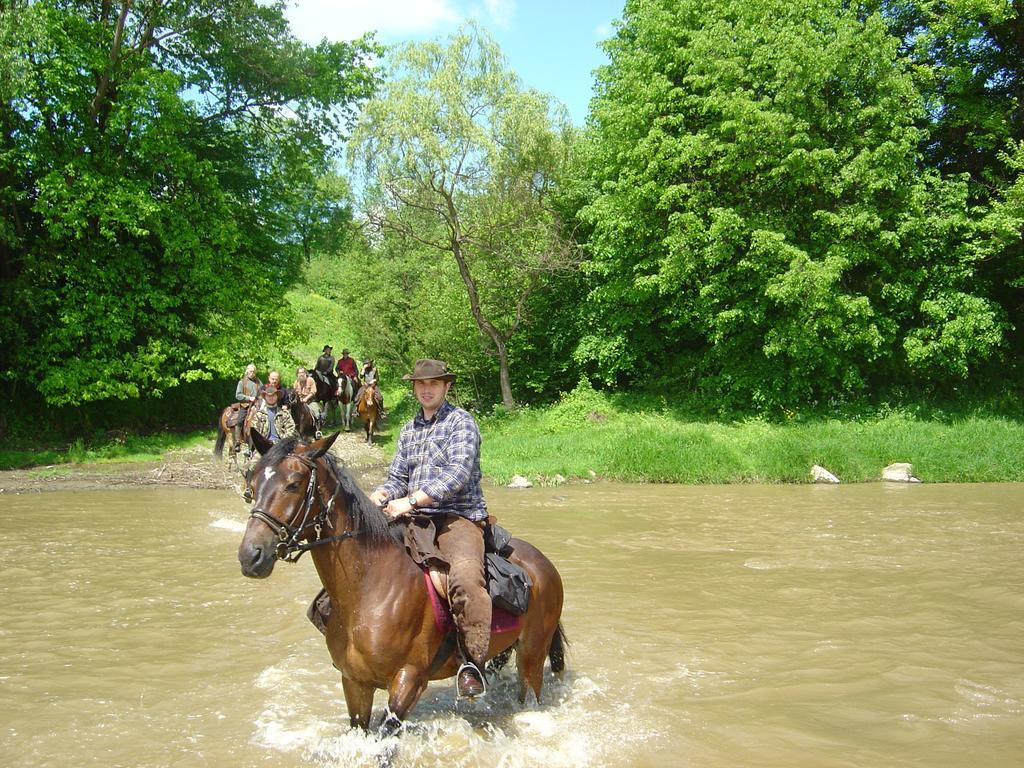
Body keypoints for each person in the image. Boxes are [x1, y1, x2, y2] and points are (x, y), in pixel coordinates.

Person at [369, 359, 488, 698]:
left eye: (434, 383)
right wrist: (383, 493)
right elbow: (397, 478)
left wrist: (413, 500)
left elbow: (458, 474)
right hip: (413, 518)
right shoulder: (408, 430)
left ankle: (471, 661)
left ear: (446, 386)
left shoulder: (461, 423)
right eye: (421, 384)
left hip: (458, 517)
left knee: (464, 577)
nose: (426, 389)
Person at [233, 364, 262, 451]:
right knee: (240, 420)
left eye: (253, 371)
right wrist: (249, 398)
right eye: (250, 371)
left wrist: (260, 398)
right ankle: (237, 442)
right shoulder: (242, 382)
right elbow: (238, 395)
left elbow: (262, 391)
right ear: (247, 371)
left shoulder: (258, 382)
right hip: (245, 405)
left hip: (257, 405)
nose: (252, 373)